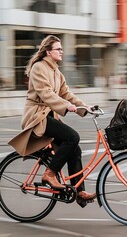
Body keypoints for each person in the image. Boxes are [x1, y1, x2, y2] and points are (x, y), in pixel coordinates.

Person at [8, 35, 96, 208]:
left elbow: (66, 93)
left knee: (75, 149)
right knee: (73, 137)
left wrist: (85, 106)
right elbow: (46, 94)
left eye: (62, 48)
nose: (62, 51)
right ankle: (50, 174)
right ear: (48, 52)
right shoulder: (39, 68)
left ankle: (79, 191)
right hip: (37, 116)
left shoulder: (56, 71)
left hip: (48, 116)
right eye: (58, 49)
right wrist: (66, 106)